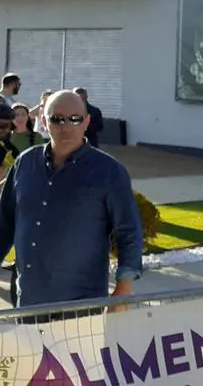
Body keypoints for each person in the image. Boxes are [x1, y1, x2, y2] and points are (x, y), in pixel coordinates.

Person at [0, 90, 142, 306]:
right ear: (44, 122)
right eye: (57, 119)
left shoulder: (109, 172)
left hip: (82, 306)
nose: (66, 126)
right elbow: (4, 224)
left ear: (86, 122)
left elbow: (129, 231)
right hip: (29, 300)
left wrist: (124, 288)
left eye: (74, 119)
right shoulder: (24, 164)